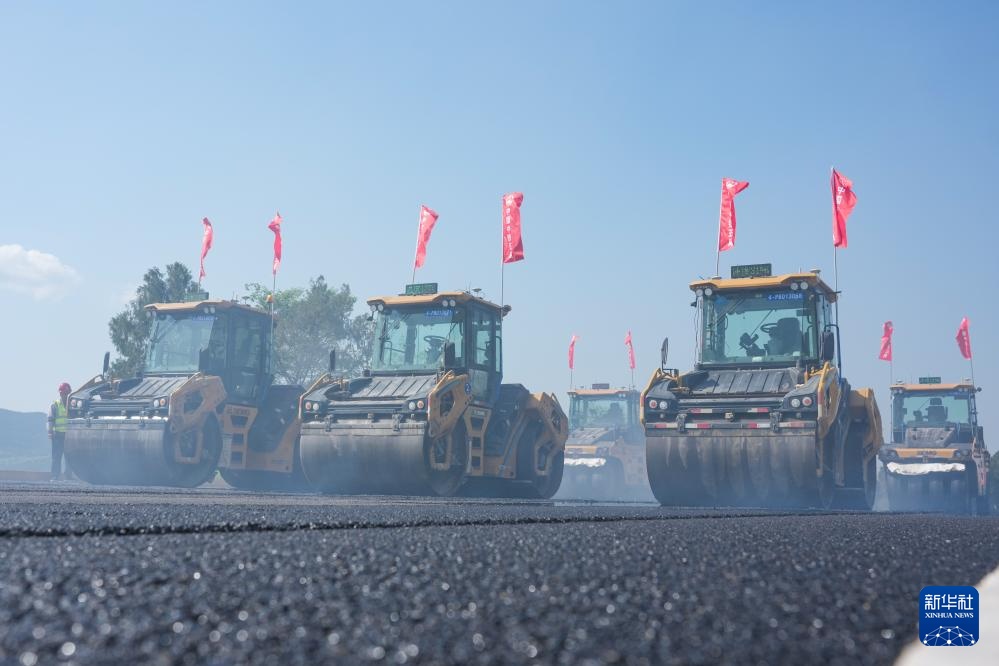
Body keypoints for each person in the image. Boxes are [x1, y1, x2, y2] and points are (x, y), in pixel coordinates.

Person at [47, 383, 71, 480]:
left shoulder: (72, 404)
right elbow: (50, 419)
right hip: (58, 435)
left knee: (69, 458)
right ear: (60, 393)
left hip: (69, 436)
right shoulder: (55, 405)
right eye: (64, 393)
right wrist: (50, 432)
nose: (65, 395)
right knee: (56, 457)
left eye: (66, 393)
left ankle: (68, 476)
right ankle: (55, 476)